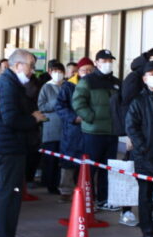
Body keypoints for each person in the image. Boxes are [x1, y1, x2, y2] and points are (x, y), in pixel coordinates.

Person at [0, 48, 46, 237]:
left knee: (9, 193)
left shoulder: (13, 84)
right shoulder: (7, 85)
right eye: (31, 66)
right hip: (9, 147)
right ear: (18, 65)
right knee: (8, 194)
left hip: (12, 146)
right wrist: (34, 119)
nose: (32, 71)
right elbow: (11, 119)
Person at [72, 49, 122, 213]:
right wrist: (90, 117)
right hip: (92, 132)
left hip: (111, 132)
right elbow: (78, 102)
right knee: (89, 169)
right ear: (97, 63)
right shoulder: (87, 81)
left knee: (107, 169)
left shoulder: (116, 82)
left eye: (110, 61)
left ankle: (104, 199)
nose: (108, 64)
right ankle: (87, 201)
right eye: (104, 61)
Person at [125, 61, 153, 237]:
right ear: (144, 79)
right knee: (145, 193)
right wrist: (143, 147)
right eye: (152, 75)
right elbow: (131, 127)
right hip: (144, 155)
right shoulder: (138, 101)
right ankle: (147, 227)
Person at [54, 58, 90, 198]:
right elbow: (59, 106)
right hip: (73, 129)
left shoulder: (96, 85)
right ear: (78, 71)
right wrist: (74, 118)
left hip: (90, 129)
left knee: (88, 162)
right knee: (68, 161)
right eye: (84, 70)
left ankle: (86, 191)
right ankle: (66, 191)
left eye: (90, 70)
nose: (87, 72)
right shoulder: (69, 86)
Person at [37, 60, 67, 195]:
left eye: (60, 71)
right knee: (51, 158)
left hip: (65, 127)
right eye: (55, 71)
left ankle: (61, 183)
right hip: (51, 127)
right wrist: (55, 103)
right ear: (50, 72)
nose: (58, 74)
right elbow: (41, 106)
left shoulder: (67, 86)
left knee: (63, 159)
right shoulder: (46, 87)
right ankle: (50, 184)